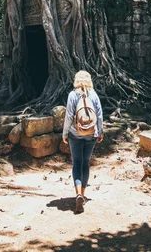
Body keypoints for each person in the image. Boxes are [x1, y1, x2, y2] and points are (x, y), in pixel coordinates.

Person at [62, 70, 103, 214]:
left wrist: (65, 133)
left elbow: (68, 116)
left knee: (76, 163)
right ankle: (83, 195)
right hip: (91, 133)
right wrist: (100, 131)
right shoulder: (94, 94)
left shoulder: (73, 95)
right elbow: (99, 114)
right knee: (85, 164)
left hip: (75, 133)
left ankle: (78, 193)